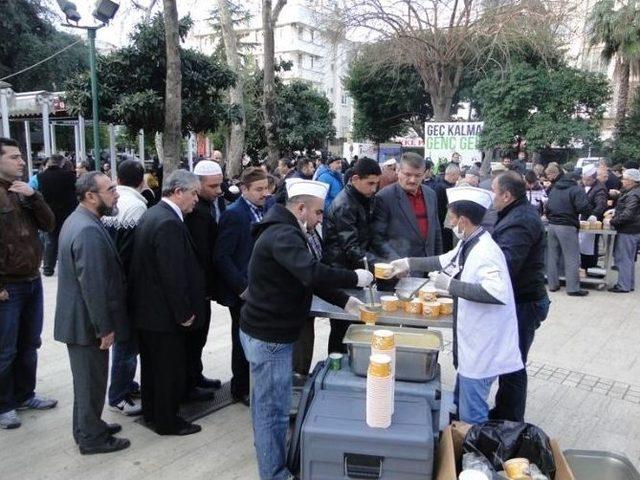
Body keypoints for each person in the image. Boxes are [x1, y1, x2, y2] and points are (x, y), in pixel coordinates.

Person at [240, 179, 373, 480]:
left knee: (271, 406)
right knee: (271, 412)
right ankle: (274, 473)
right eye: (318, 213)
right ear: (300, 208)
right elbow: (311, 271)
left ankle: (273, 461)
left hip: (267, 330)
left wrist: (346, 302)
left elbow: (305, 278)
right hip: (269, 335)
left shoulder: (287, 230)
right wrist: (354, 277)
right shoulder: (283, 234)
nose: (320, 219)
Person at [390, 186, 523, 424]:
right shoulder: (469, 242)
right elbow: (443, 260)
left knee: (473, 413)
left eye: (451, 218)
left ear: (463, 220)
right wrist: (408, 263)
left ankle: (475, 454)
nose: (449, 223)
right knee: (463, 404)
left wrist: (449, 285)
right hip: (472, 342)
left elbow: (496, 292)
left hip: (484, 345)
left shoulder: (485, 252)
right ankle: (462, 447)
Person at [54, 171, 131, 454]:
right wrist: (104, 328)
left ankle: (89, 427)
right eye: (110, 189)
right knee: (91, 384)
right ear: (90, 196)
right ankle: (91, 438)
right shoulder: (86, 229)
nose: (117, 193)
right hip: (86, 324)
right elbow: (94, 285)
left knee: (88, 382)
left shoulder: (81, 220)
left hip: (81, 321)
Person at [130, 170, 205, 436]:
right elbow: (171, 273)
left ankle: (153, 413)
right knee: (168, 371)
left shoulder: (154, 214)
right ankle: (168, 421)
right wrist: (183, 313)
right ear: (178, 192)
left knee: (153, 369)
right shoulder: (168, 222)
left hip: (150, 313)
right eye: (194, 193)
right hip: (163, 315)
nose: (197, 199)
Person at [0, 138, 57, 430]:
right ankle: (5, 405)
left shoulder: (24, 192)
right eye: (14, 157)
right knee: (5, 348)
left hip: (32, 280)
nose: (21, 162)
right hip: (8, 285)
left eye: (21, 157)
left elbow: (49, 225)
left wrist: (34, 196)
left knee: (29, 343)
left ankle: (25, 394)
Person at [489, 172, 550, 422]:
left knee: (513, 365)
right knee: (509, 361)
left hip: (524, 301)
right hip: (522, 299)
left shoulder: (520, 220)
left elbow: (506, 264)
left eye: (494, 191)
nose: (491, 196)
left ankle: (511, 423)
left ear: (506, 195)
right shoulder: (515, 213)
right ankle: (504, 413)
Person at [214, 167, 270, 406]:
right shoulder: (234, 215)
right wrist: (241, 288)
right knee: (242, 341)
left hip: (263, 288)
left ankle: (255, 383)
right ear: (244, 190)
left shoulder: (266, 209)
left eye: (266, 188)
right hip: (244, 292)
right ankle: (240, 388)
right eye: (259, 189)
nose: (264, 193)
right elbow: (221, 257)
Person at [101, 160, 148, 416]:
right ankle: (119, 394)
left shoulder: (114, 203)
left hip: (113, 283)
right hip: (127, 287)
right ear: (142, 181)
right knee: (127, 345)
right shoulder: (138, 207)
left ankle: (125, 384)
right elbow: (132, 254)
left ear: (118, 179)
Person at [323, 158, 382, 353]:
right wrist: (379, 266)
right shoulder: (344, 204)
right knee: (342, 328)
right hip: (341, 273)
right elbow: (351, 246)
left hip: (353, 272)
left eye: (376, 183)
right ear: (355, 178)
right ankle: (335, 369)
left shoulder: (361, 198)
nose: (374, 189)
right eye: (370, 183)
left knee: (355, 328)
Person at [184, 160, 225, 400]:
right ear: (197, 186)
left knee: (200, 337)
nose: (219, 191)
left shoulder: (210, 205)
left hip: (205, 289)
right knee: (193, 337)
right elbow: (202, 254)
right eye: (213, 186)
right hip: (198, 289)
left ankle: (196, 375)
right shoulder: (195, 213)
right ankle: (189, 384)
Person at [372, 153, 442, 271]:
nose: (413, 180)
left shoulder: (431, 194)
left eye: (418, 175)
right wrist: (398, 263)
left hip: (429, 267)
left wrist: (438, 263)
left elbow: (436, 231)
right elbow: (377, 239)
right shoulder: (384, 197)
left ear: (424, 174)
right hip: (400, 270)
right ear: (398, 171)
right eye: (408, 174)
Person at [545, 163, 592, 296]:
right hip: (567, 225)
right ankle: (573, 288)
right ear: (575, 180)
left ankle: (553, 285)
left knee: (552, 256)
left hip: (552, 225)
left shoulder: (554, 188)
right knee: (571, 257)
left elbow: (547, 208)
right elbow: (584, 208)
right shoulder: (576, 190)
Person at [38, 154, 78, 276]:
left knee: (50, 240)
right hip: (67, 212)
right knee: (67, 239)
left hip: (49, 211)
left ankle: (48, 268)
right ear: (62, 163)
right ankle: (68, 266)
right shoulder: (70, 176)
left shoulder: (41, 177)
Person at [608, 168, 640, 293]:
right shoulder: (633, 192)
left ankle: (623, 285)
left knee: (624, 258)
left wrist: (612, 221)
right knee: (629, 259)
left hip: (628, 230)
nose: (622, 181)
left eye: (625, 179)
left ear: (632, 181)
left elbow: (628, 214)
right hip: (633, 229)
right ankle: (628, 284)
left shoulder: (633, 194)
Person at [580, 166, 608, 272]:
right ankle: (582, 266)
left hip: (592, 221)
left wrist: (594, 214)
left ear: (594, 178)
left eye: (588, 180)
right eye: (584, 179)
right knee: (581, 244)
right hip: (581, 218)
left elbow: (601, 204)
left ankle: (590, 266)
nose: (585, 182)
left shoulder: (600, 188)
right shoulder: (581, 185)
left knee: (590, 245)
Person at [433, 163, 461, 251]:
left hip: (445, 224)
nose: (458, 177)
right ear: (453, 174)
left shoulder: (441, 185)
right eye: (458, 174)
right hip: (443, 226)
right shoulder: (444, 189)